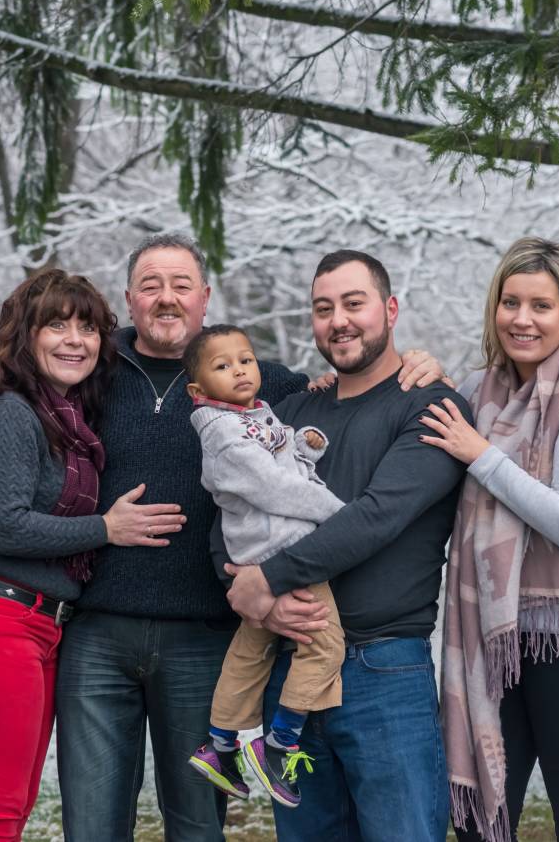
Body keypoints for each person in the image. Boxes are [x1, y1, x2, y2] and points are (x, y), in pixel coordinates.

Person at [56, 234, 446, 841]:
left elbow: (368, 480)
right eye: (151, 286)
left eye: (182, 285)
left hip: (293, 647)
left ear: (205, 297)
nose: (166, 298)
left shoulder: (301, 394)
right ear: (128, 300)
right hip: (168, 640)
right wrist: (237, 580)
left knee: (211, 823)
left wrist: (421, 365)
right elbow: (228, 506)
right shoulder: (93, 374)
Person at [223, 248, 470, 841]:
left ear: (390, 309)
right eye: (323, 308)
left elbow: (378, 516)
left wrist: (269, 578)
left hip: (384, 671)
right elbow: (232, 502)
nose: (339, 321)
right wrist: (249, 591)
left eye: (354, 303)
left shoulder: (432, 407)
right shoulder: (288, 412)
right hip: (290, 666)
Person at [0, 269, 185, 841]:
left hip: (37, 623)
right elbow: (8, 527)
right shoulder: (8, 412)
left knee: (14, 805)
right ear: (25, 335)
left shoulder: (66, 421)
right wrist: (106, 528)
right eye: (56, 326)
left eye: (88, 328)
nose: (75, 340)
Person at [424, 238, 559, 842]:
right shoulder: (478, 390)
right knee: (481, 819)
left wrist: (481, 454)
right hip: (494, 634)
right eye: (510, 302)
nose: (522, 319)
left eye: (541, 305)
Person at [181, 324, 346, 808]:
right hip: (283, 552)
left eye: (246, 360)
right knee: (326, 647)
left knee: (250, 650)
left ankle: (220, 744)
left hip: (270, 546)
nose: (239, 371)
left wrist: (305, 447)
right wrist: (343, 517)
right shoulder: (223, 435)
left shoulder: (253, 414)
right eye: (223, 366)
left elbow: (281, 461)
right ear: (197, 389)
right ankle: (280, 743)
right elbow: (274, 488)